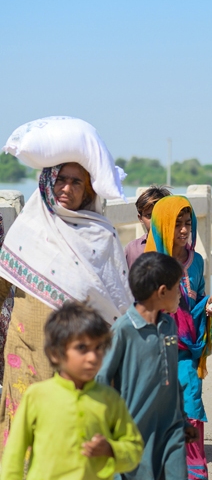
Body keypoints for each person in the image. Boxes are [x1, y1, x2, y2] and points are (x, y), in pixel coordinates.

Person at [0, 162, 133, 447]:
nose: (66, 189)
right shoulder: (30, 226)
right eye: (61, 180)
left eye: (76, 183)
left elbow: (115, 301)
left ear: (88, 191)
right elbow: (2, 284)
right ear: (48, 181)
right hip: (25, 345)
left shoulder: (100, 235)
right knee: (24, 420)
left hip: (76, 353)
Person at [0, 300, 143, 480]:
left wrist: (112, 450)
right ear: (56, 353)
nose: (93, 357)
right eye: (82, 348)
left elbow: (134, 448)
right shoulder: (37, 397)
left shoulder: (109, 400)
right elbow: (13, 459)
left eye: (98, 348)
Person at [96, 252, 199, 480]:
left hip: (170, 427)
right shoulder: (123, 331)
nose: (180, 295)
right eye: (177, 289)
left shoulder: (169, 326)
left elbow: (171, 375)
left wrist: (183, 419)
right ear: (162, 291)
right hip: (134, 431)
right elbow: (100, 378)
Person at [144, 196, 212, 480]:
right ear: (162, 224)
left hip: (187, 350)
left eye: (188, 223)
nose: (183, 230)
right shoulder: (150, 264)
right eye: (176, 223)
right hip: (156, 351)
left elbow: (198, 298)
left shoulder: (197, 261)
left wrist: (209, 306)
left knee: (191, 411)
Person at [125, 185, 172, 269]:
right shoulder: (132, 249)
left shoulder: (178, 247)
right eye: (149, 216)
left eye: (159, 215)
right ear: (140, 218)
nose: (155, 220)